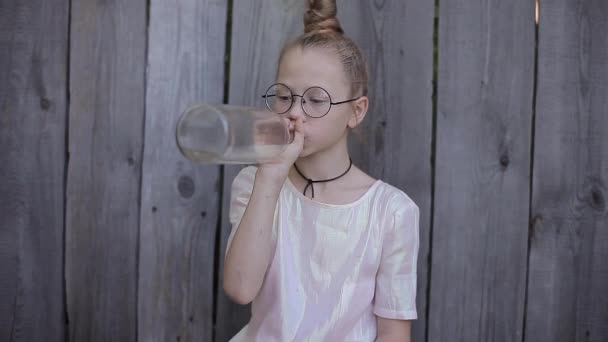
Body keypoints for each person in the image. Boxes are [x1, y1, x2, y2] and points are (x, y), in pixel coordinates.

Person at [223, 0, 420, 340]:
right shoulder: (255, 184)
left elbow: (393, 333)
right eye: (284, 96)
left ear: (356, 111)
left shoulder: (391, 212)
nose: (295, 112)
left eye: (316, 100)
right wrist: (270, 176)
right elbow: (240, 289)